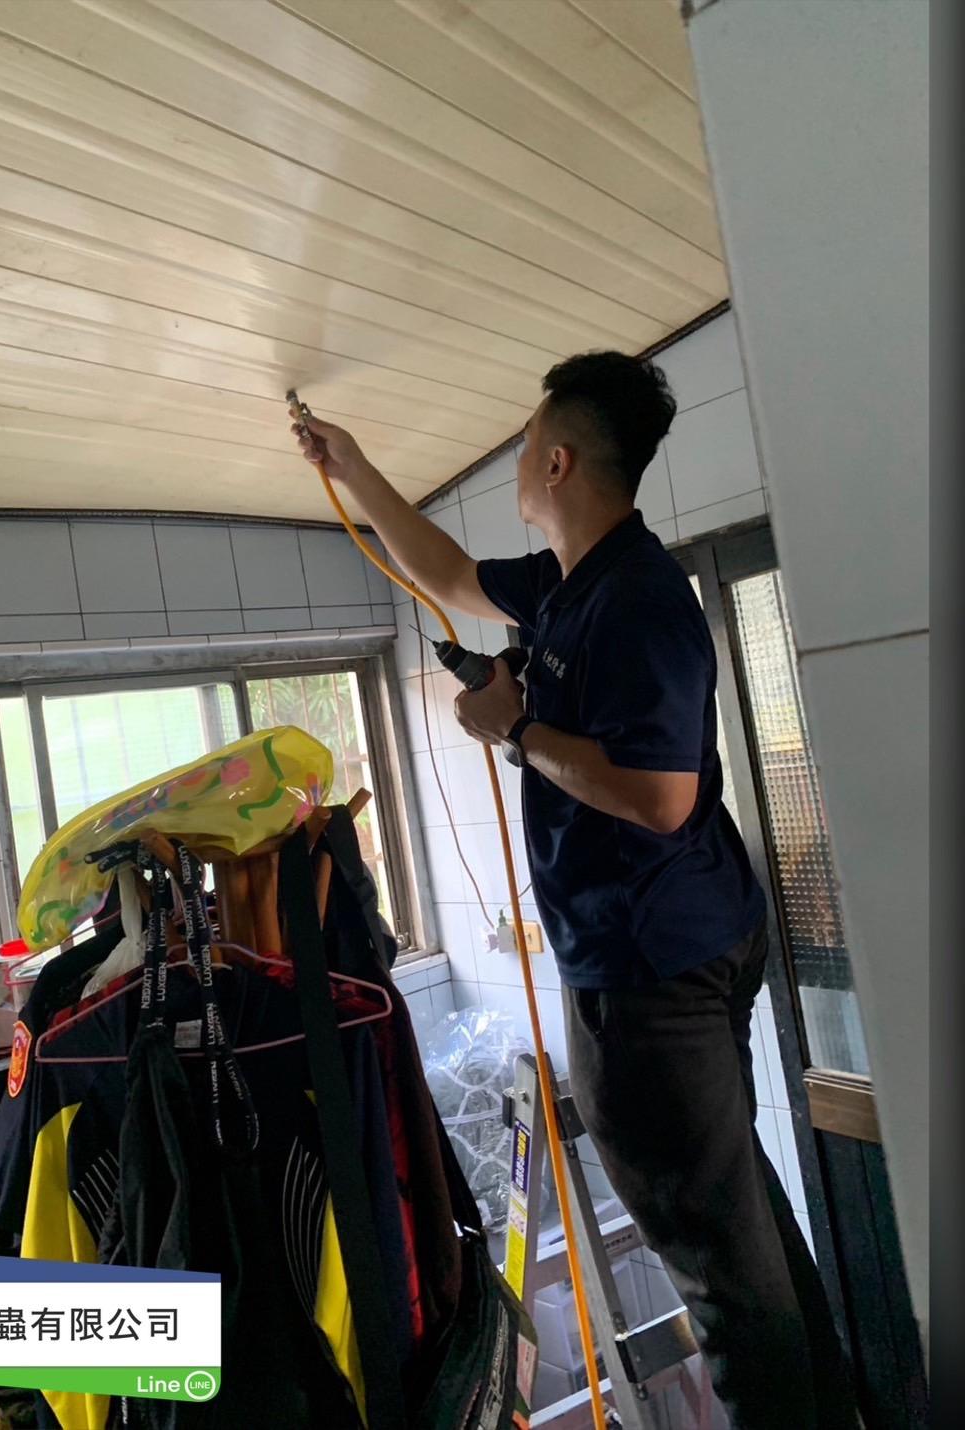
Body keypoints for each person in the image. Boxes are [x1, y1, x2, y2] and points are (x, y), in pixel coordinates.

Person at [293, 352, 860, 1430]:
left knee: (718, 1271)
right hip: (684, 938)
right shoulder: (569, 583)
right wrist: (353, 466)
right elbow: (447, 573)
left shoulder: (638, 599)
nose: (515, 458)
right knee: (737, 1225)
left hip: (649, 974)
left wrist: (516, 727)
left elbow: (658, 797)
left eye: (523, 443)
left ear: (557, 462)